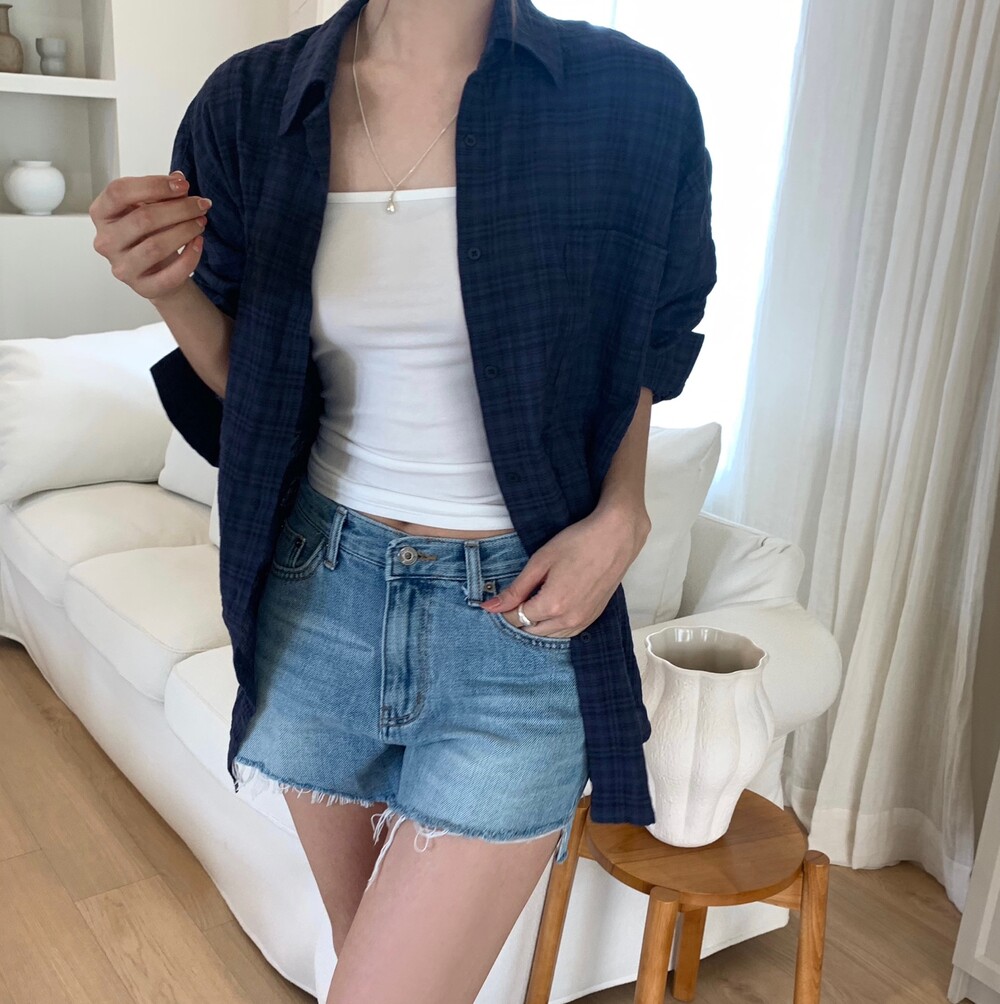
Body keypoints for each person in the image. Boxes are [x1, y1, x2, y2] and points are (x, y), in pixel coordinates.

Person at [89, 0, 716, 999]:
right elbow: (259, 387)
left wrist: (622, 513)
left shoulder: (630, 99)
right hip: (318, 598)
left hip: (519, 622)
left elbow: (648, 341)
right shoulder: (252, 105)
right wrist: (167, 289)